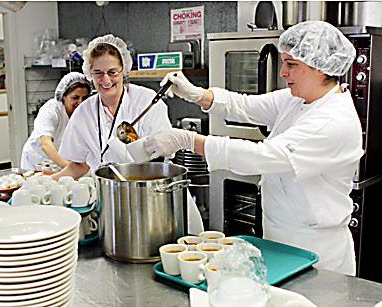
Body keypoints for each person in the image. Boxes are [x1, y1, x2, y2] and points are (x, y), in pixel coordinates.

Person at [145, 21, 363, 275]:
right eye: (283, 62)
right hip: (279, 239)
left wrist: (189, 140)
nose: (283, 72)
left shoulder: (333, 120)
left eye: (292, 64)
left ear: (321, 68)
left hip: (317, 252)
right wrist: (197, 94)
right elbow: (247, 106)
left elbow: (261, 156)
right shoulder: (298, 99)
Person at [53, 34, 203, 234]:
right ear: (90, 74)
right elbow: (79, 165)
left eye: (112, 72)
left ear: (124, 70)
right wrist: (48, 182)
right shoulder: (84, 111)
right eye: (98, 73)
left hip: (154, 198)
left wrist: (135, 143)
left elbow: (161, 158)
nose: (106, 80)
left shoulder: (147, 102)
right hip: (110, 201)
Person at [20, 72, 91, 170]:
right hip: (36, 162)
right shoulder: (51, 110)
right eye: (75, 97)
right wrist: (70, 168)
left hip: (58, 161)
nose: (80, 102)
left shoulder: (84, 113)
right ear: (63, 96)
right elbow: (46, 144)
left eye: (85, 98)